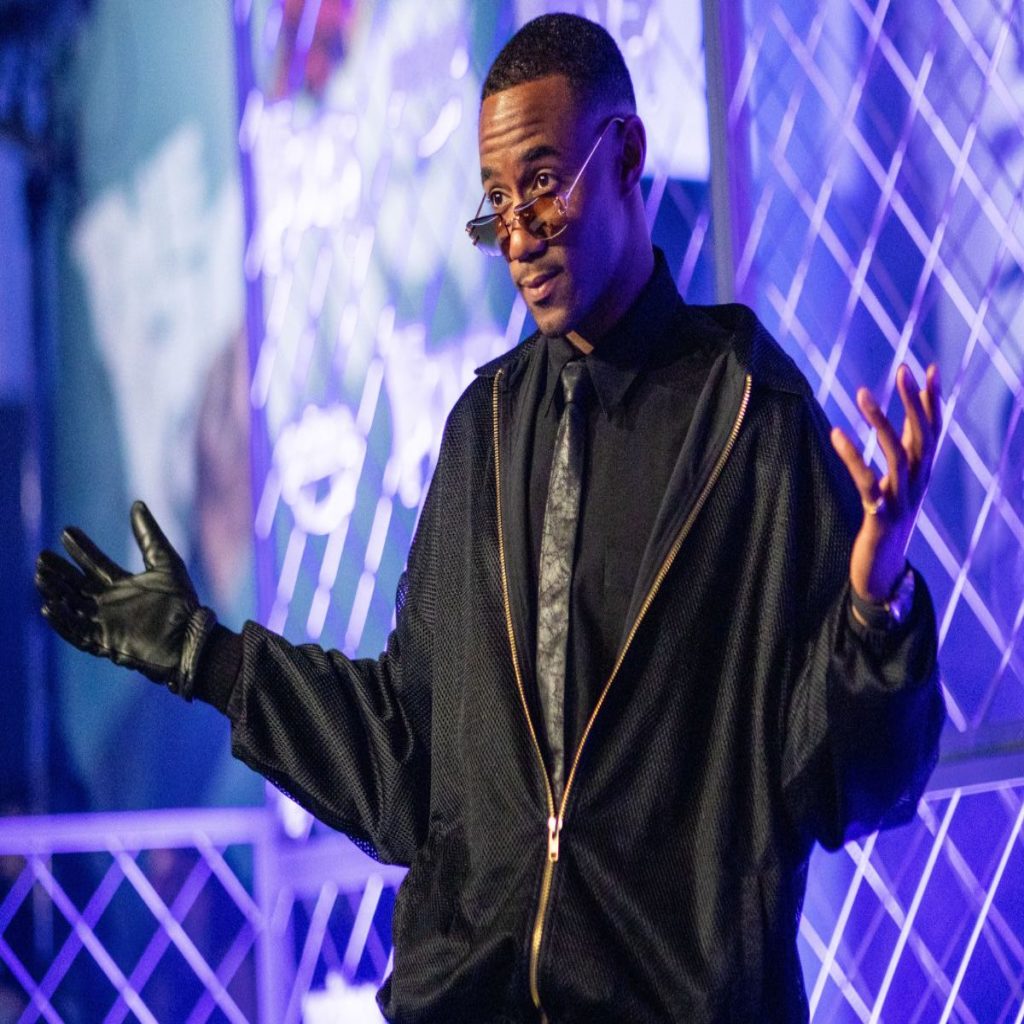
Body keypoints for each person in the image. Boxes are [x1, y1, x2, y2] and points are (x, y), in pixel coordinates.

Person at [35, 14, 945, 1023]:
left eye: (542, 184)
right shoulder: (485, 426)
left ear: (627, 155)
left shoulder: (750, 422)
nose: (516, 236)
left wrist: (876, 605)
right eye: (496, 202)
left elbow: (850, 784)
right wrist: (202, 655)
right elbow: (408, 760)